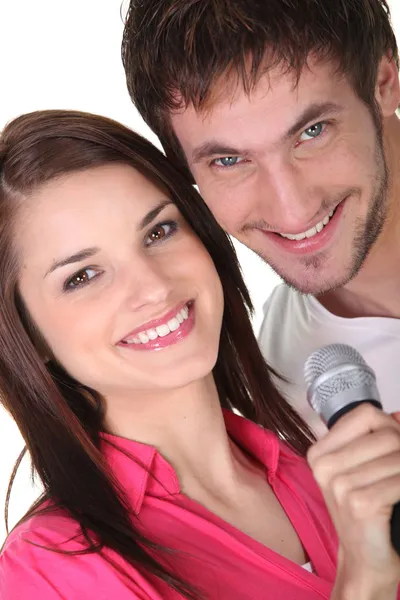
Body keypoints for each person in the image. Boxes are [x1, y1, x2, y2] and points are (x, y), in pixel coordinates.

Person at [0, 110, 400, 599]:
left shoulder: (330, 467)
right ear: (28, 334)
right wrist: (366, 583)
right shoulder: (48, 571)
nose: (153, 286)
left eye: (159, 232)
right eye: (82, 276)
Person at [121, 0, 400, 436]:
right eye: (229, 160)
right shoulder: (282, 379)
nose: (293, 210)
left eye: (313, 132)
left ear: (384, 82)